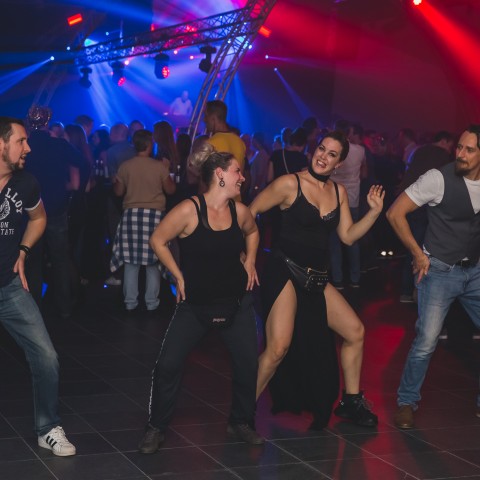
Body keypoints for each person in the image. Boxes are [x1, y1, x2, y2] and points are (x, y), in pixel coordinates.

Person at [250, 130, 384, 429]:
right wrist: (247, 256)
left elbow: (347, 236)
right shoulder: (290, 183)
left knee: (355, 332)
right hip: (284, 271)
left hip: (315, 278)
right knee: (278, 348)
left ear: (339, 163)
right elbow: (250, 213)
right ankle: (242, 411)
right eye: (321, 149)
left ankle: (351, 402)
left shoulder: (338, 192)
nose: (323, 156)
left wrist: (374, 213)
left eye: (331, 154)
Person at [138, 142, 262, 453]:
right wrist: (177, 275)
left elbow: (253, 232)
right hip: (194, 306)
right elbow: (158, 240)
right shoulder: (188, 210)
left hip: (236, 303)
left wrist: (250, 260)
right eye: (237, 172)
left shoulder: (240, 211)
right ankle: (156, 427)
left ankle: (241, 421)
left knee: (248, 365)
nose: (242, 177)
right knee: (168, 365)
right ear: (220, 174)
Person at [386, 124, 480, 429]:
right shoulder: (438, 179)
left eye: (469, 149)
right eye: (459, 147)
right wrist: (417, 254)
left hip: (475, 271)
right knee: (427, 341)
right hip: (439, 270)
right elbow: (395, 213)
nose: (461, 153)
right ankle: (406, 402)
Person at [0, 116, 76, 456]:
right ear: (1, 144)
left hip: (9, 287)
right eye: (21, 141)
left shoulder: (26, 183)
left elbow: (39, 217)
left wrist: (23, 250)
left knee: (46, 357)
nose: (28, 148)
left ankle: (48, 428)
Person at [110, 129, 175, 312]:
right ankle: (152, 303)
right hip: (154, 217)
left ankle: (130, 302)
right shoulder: (159, 167)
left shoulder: (126, 166)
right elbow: (171, 190)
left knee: (131, 262)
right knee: (153, 262)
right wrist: (167, 169)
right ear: (149, 144)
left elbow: (118, 192)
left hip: (131, 216)